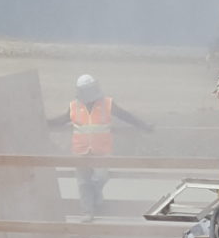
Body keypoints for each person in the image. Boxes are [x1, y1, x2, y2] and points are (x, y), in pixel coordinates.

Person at [50, 74, 153, 220]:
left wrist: (144, 126)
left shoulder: (107, 103)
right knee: (83, 183)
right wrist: (45, 122)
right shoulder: (74, 105)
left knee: (100, 177)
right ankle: (87, 212)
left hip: (102, 151)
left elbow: (126, 116)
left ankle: (96, 193)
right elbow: (62, 120)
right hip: (80, 151)